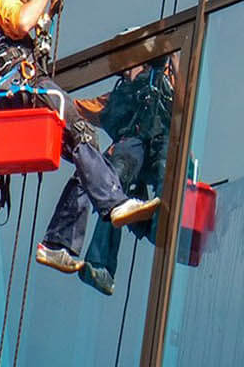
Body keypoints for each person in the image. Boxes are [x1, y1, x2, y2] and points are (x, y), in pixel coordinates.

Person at [0, 0, 160, 275]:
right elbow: (24, 21)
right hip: (28, 86)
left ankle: (58, 243)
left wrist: (47, 11)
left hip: (7, 100)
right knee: (83, 134)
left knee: (83, 154)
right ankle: (114, 202)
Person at [72, 57, 177, 296]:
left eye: (131, 62)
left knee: (166, 168)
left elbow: (187, 96)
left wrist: (173, 52)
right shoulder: (117, 97)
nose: (126, 69)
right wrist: (48, 97)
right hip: (134, 151)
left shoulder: (164, 81)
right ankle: (100, 265)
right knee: (113, 183)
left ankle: (164, 224)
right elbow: (78, 108)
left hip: (161, 145)